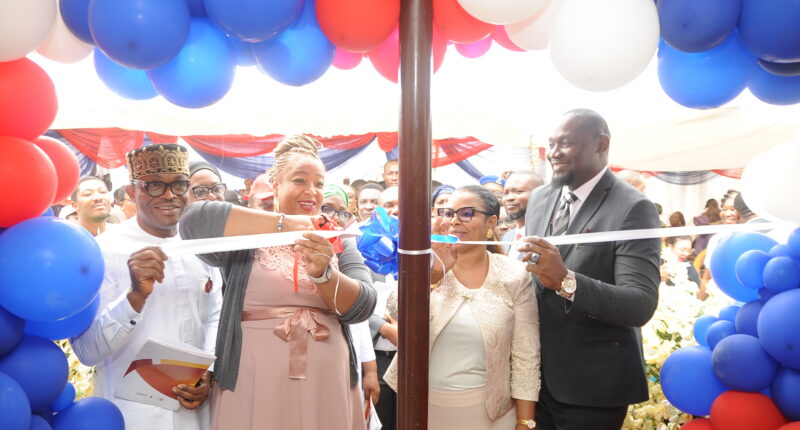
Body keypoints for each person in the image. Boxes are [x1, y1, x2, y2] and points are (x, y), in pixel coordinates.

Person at [180, 135, 377, 430]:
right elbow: (194, 220)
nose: (311, 191)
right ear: (275, 183)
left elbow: (363, 306)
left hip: (326, 376)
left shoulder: (337, 238)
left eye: (319, 183)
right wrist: (286, 225)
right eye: (299, 180)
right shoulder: (248, 234)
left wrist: (324, 274)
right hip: (254, 374)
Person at [518, 109, 661, 430]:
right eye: (551, 144)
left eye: (565, 143)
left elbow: (640, 304)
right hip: (534, 379)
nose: (554, 153)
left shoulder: (633, 207)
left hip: (592, 385)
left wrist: (565, 280)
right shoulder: (540, 198)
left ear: (601, 144)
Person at [72, 144, 223, 430]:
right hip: (132, 415)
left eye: (178, 185)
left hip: (195, 413)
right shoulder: (102, 251)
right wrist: (135, 297)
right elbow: (87, 351)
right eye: (154, 186)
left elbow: (215, 313)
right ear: (132, 192)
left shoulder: (201, 245)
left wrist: (210, 372)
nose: (169, 195)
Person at [385, 185, 541, 430]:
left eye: (466, 213)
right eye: (448, 213)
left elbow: (526, 354)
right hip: (422, 408)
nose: (454, 221)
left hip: (493, 413)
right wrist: (431, 278)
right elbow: (396, 311)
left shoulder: (514, 275)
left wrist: (525, 421)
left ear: (491, 222)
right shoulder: (424, 265)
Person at [322, 184, 380, 410]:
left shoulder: (347, 249)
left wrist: (370, 369)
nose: (335, 218)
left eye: (343, 213)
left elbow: (360, 318)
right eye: (327, 208)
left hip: (346, 356)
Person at [501, 171, 543, 259]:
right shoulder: (506, 237)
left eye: (518, 191)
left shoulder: (548, 235)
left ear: (540, 195)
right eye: (505, 193)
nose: (509, 198)